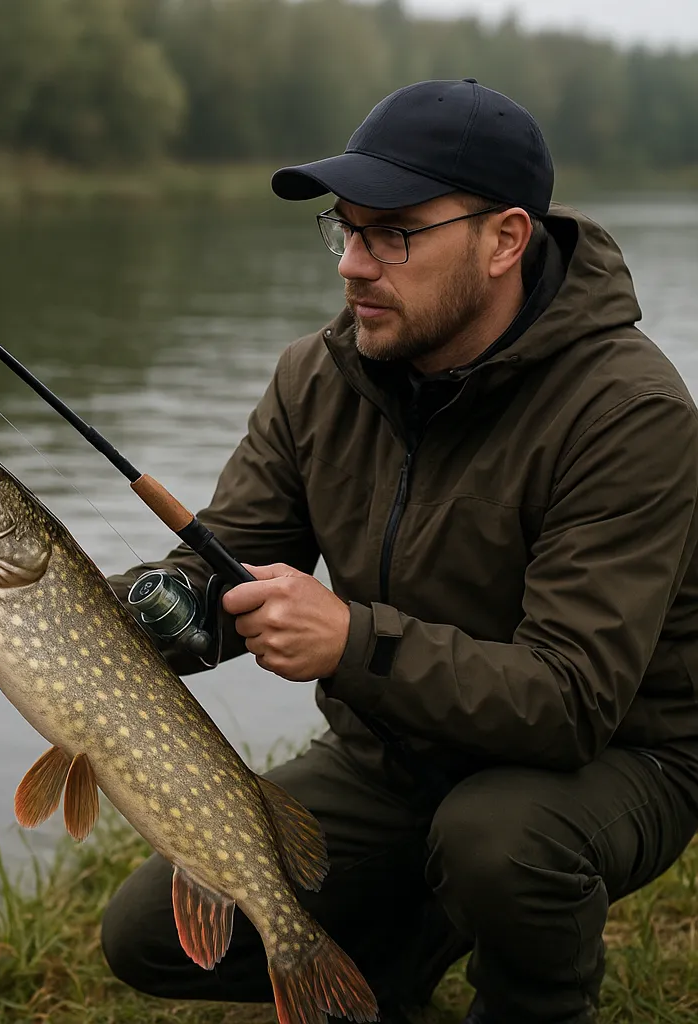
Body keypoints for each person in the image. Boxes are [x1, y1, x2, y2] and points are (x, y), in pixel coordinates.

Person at [100, 78, 698, 1024]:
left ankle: (533, 1001)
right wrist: (153, 610)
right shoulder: (318, 376)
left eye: (395, 235)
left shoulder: (629, 414)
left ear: (504, 240)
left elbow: (573, 701)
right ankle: (399, 960)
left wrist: (352, 643)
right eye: (347, 230)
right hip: (392, 756)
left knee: (497, 842)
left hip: (613, 762)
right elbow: (229, 562)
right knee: (145, 933)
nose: (354, 266)